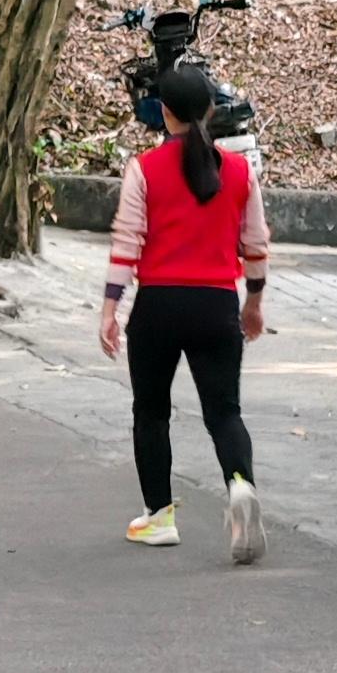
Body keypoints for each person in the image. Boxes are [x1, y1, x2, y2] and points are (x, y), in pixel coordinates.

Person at [98, 62, 270, 563]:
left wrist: (110, 310)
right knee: (224, 412)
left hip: (158, 306)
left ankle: (158, 517)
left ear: (163, 114)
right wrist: (253, 303)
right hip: (217, 306)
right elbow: (255, 244)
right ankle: (240, 486)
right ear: (212, 109)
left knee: (151, 413)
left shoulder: (144, 169)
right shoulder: (239, 171)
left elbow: (126, 243)